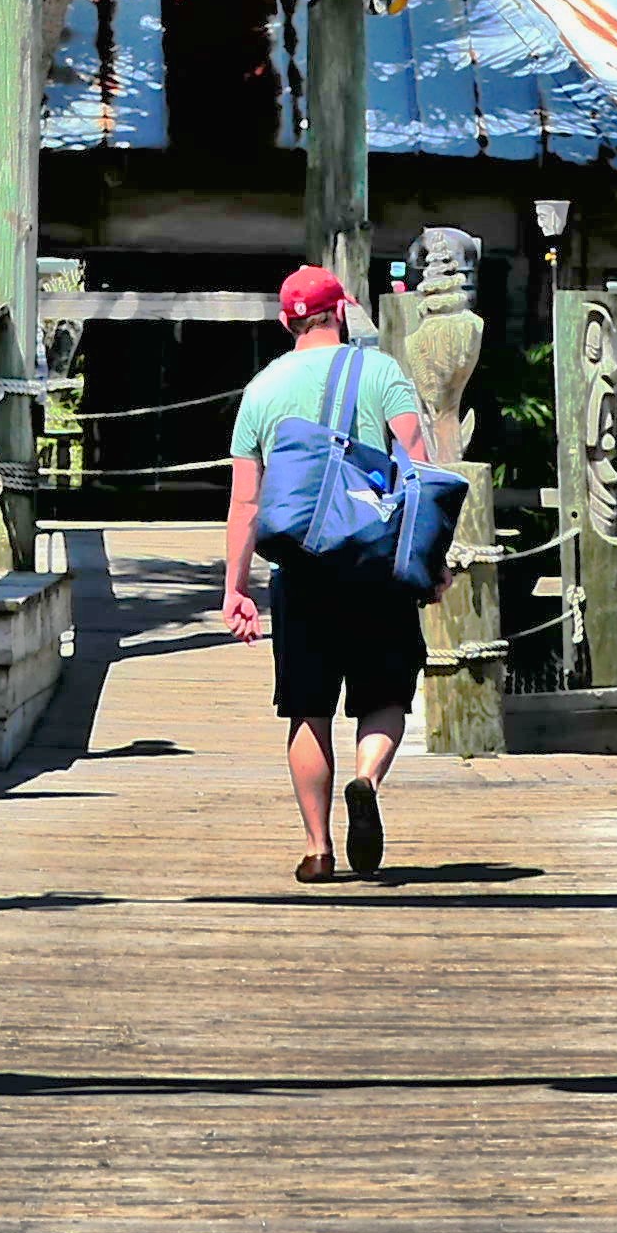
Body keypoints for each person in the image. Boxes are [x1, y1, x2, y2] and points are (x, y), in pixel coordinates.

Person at [221, 265, 434, 884]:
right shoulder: (382, 372)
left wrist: (236, 586)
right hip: (375, 563)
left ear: (288, 321)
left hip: (301, 568)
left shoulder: (261, 389)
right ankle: (365, 781)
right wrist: (430, 560)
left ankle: (318, 849)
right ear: (342, 310)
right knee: (386, 696)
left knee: (307, 710)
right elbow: (419, 466)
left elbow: (246, 501)